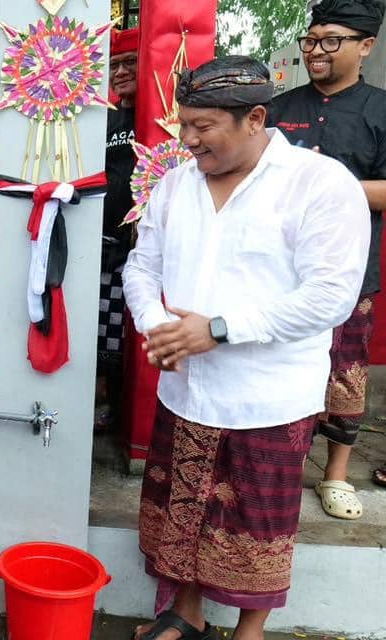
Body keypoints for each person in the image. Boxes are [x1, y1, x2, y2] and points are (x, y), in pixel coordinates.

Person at [123, 56, 369, 640]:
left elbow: (330, 297)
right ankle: (184, 615)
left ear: (255, 118)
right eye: (185, 124)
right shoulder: (175, 184)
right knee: (181, 514)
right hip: (186, 389)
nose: (187, 140)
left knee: (257, 523)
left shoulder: (320, 185)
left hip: (269, 397)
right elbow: (140, 266)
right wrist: (159, 326)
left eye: (203, 126)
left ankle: (248, 632)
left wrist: (221, 328)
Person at [267, 0, 386, 518]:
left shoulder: (381, 110)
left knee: (344, 371)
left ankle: (335, 475)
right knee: (278, 365)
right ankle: (279, 466)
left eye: (330, 40)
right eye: (311, 39)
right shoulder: (276, 109)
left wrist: (327, 186)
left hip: (349, 270)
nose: (315, 50)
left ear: (366, 46)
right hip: (276, 269)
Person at [98, 25, 140, 428]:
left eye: (130, 62)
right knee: (107, 330)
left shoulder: (159, 119)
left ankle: (130, 414)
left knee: (133, 331)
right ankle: (108, 407)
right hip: (106, 241)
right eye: (116, 64)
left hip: (140, 243)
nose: (121, 71)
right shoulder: (103, 117)